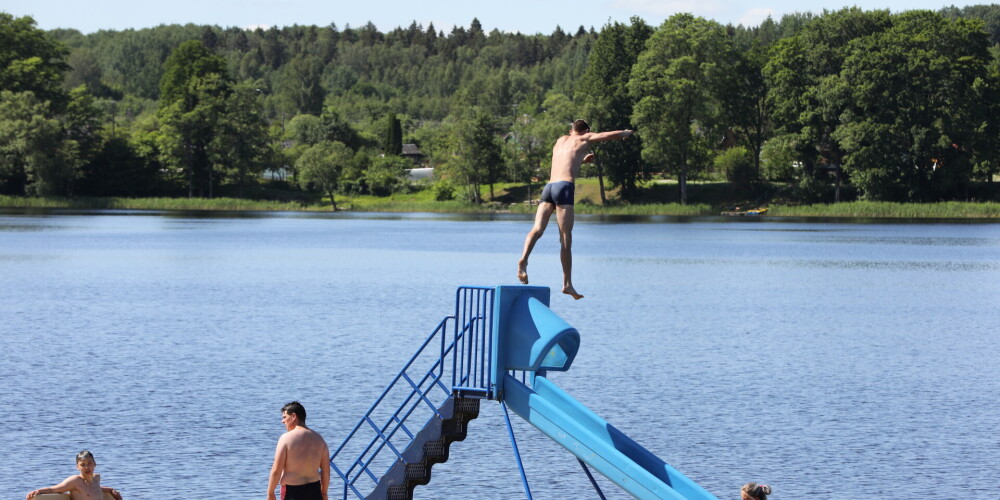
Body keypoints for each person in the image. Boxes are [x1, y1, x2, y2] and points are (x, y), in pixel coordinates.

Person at [517, 119, 634, 299]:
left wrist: (583, 160)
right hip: (564, 187)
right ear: (586, 130)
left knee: (537, 229)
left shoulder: (560, 141)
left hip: (549, 187)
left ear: (571, 129)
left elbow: (567, 160)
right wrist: (624, 133)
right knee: (565, 237)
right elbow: (605, 136)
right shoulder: (584, 138)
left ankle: (524, 259)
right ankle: (567, 284)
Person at [267, 401, 330, 500]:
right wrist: (324, 493)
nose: (282, 421)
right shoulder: (319, 439)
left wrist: (270, 493)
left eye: (284, 417)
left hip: (292, 492)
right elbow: (326, 471)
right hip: (315, 490)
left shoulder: (286, 439)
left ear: (293, 416)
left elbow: (276, 470)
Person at [26, 450, 123, 500]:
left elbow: (95, 488)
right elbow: (55, 489)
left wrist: (111, 490)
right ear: (77, 467)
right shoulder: (75, 481)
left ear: (95, 464)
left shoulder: (96, 479)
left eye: (89, 463)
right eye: (82, 465)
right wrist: (38, 491)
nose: (86, 467)